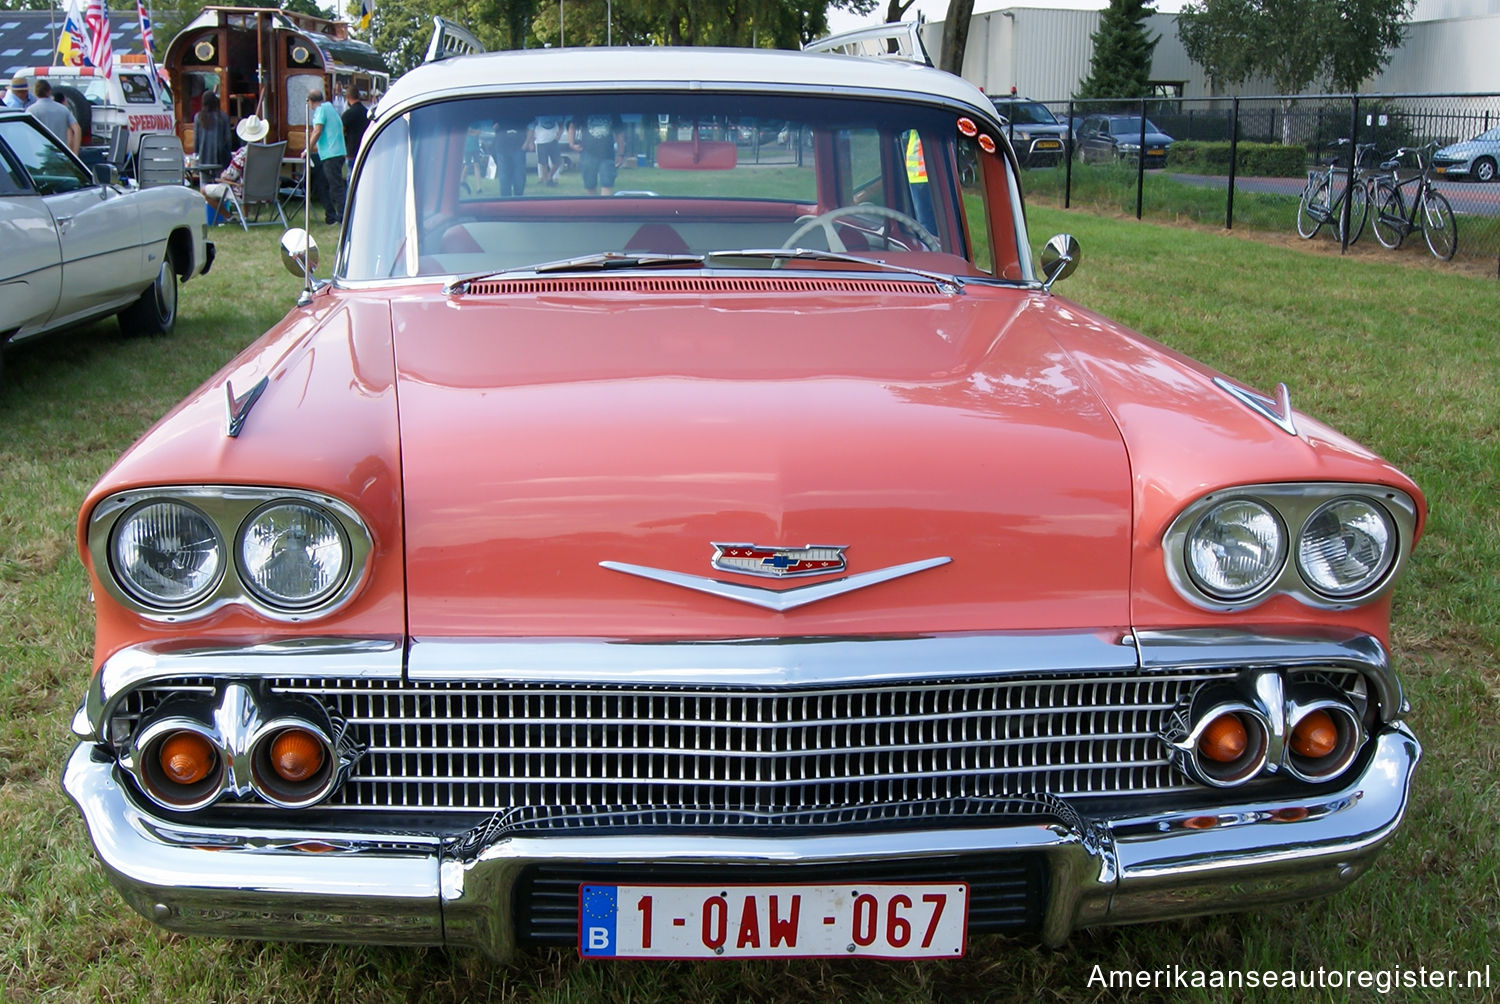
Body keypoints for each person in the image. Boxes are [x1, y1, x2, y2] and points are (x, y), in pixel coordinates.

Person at [200, 114, 269, 222]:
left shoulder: (243, 153)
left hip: (243, 192)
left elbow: (230, 176)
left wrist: (223, 175)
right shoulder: (269, 152)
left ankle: (229, 217)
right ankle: (244, 218)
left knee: (203, 190)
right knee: (242, 182)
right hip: (266, 192)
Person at [306, 88, 347, 225]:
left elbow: (318, 130)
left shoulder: (321, 110)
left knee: (336, 187)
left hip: (331, 154)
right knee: (322, 185)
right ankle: (330, 216)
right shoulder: (330, 107)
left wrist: (308, 148)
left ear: (311, 101)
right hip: (337, 152)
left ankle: (343, 217)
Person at [569, 112, 625, 196]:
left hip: (607, 155)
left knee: (607, 184)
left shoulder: (613, 110)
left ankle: (605, 208)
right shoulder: (583, 108)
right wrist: (571, 144)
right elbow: (572, 126)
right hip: (587, 154)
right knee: (590, 186)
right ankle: (593, 208)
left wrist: (621, 154)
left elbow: (620, 133)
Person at [27, 80, 80, 153]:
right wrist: (75, 152)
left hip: (40, 153)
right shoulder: (63, 109)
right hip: (62, 152)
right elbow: (77, 129)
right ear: (49, 91)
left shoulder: (31, 111)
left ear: (35, 93)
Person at [192, 92, 231, 174]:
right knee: (219, 185)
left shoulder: (198, 117)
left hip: (203, 159)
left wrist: (196, 154)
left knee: (205, 185)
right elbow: (228, 139)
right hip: (220, 159)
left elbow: (196, 139)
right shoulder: (223, 117)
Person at [494, 120, 533, 198]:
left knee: (519, 176)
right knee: (504, 177)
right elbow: (495, 127)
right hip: (502, 148)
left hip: (519, 148)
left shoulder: (523, 111)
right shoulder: (498, 110)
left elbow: (531, 127)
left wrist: (526, 144)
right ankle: (505, 202)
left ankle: (518, 201)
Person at [340, 86, 368, 168]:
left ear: (347, 97)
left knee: (351, 176)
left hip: (351, 150)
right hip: (364, 148)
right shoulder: (366, 112)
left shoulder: (348, 114)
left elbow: (341, 132)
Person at [533, 115, 562, 185]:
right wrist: (532, 139)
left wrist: (558, 136)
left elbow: (561, 125)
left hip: (553, 140)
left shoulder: (555, 115)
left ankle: (549, 177)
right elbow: (531, 126)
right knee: (543, 163)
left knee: (558, 161)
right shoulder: (537, 116)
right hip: (540, 141)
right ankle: (547, 181)